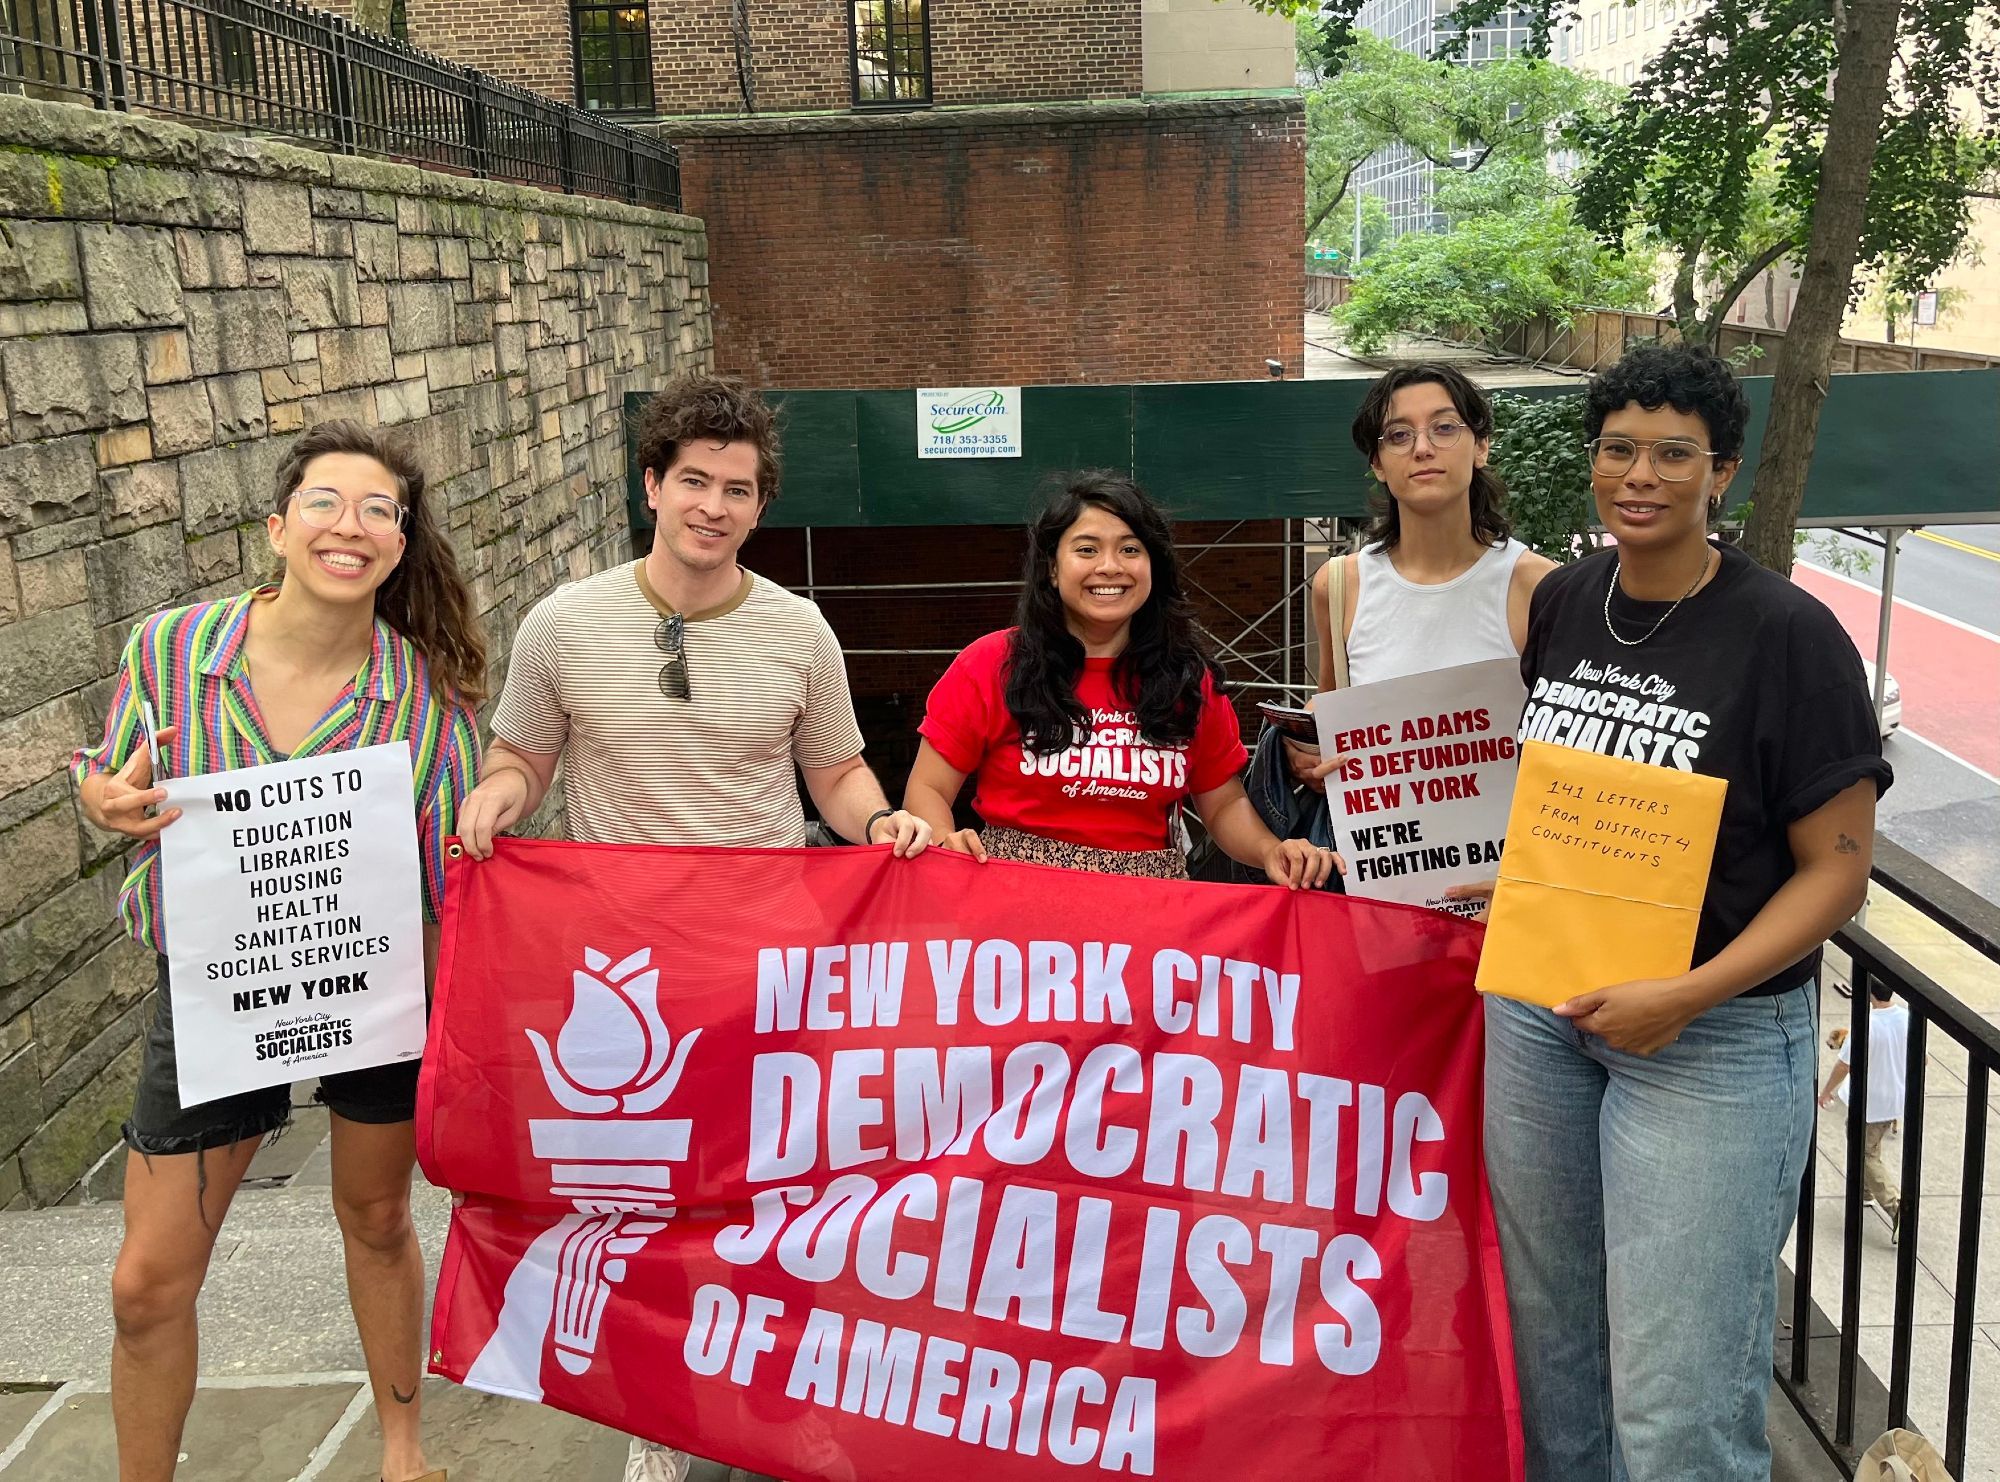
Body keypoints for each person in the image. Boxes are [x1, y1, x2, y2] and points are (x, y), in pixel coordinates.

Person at [455, 373, 932, 1482]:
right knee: (641, 1201)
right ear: (651, 488)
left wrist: (885, 824)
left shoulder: (799, 631)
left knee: (780, 1190)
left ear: (760, 505)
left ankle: (787, 1401)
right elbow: (522, 754)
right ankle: (660, 1418)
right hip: (619, 974)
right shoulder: (562, 625)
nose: (712, 507)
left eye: (738, 489)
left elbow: (839, 774)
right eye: (693, 483)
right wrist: (498, 798)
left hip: (770, 963)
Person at [1484, 343, 1892, 1481]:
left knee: (1675, 1413)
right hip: (1539, 1010)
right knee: (1554, 1361)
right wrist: (1508, 877)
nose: (1639, 475)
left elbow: (1837, 871)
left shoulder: (1786, 636)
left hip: (1708, 1040)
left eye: (1673, 454)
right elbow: (1564, 790)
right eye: (1617, 448)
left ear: (1721, 473)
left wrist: (1687, 994)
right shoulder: (1566, 599)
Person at [75, 421, 483, 1482]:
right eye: (325, 503)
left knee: (378, 1216)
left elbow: (455, 882)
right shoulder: (168, 651)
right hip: (217, 993)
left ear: (400, 544)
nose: (350, 527)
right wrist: (101, 798)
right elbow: (106, 771)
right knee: (145, 1283)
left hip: (373, 988)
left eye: (378, 511)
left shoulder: (427, 694)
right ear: (277, 525)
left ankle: (403, 1451)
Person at [902, 471, 1340, 890]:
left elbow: (1223, 804)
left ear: (1153, 567)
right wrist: (944, 843)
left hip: (1150, 919)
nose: (1110, 567)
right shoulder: (992, 663)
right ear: (1052, 569)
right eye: (1087, 549)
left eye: (1130, 550)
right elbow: (927, 788)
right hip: (1015, 915)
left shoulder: (1188, 677)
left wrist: (1270, 851)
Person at [1286, 363, 1555, 791]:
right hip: (1380, 852)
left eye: (1445, 428)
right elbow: (1336, 710)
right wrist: (1309, 749)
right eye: (1398, 435)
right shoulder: (1339, 585)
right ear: (1377, 463)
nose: (1423, 448)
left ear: (1481, 446)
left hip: (1511, 851)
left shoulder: (1540, 587)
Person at [1818, 982, 1912, 1242]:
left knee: (1865, 1152)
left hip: (1869, 1101)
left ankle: (1896, 1207)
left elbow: (1843, 1065)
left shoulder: (1866, 1024)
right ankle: (1865, 1191)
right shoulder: (1906, 1018)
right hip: (1894, 1099)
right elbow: (1922, 1059)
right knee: (1871, 1144)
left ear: (1869, 992)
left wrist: (1826, 1092)